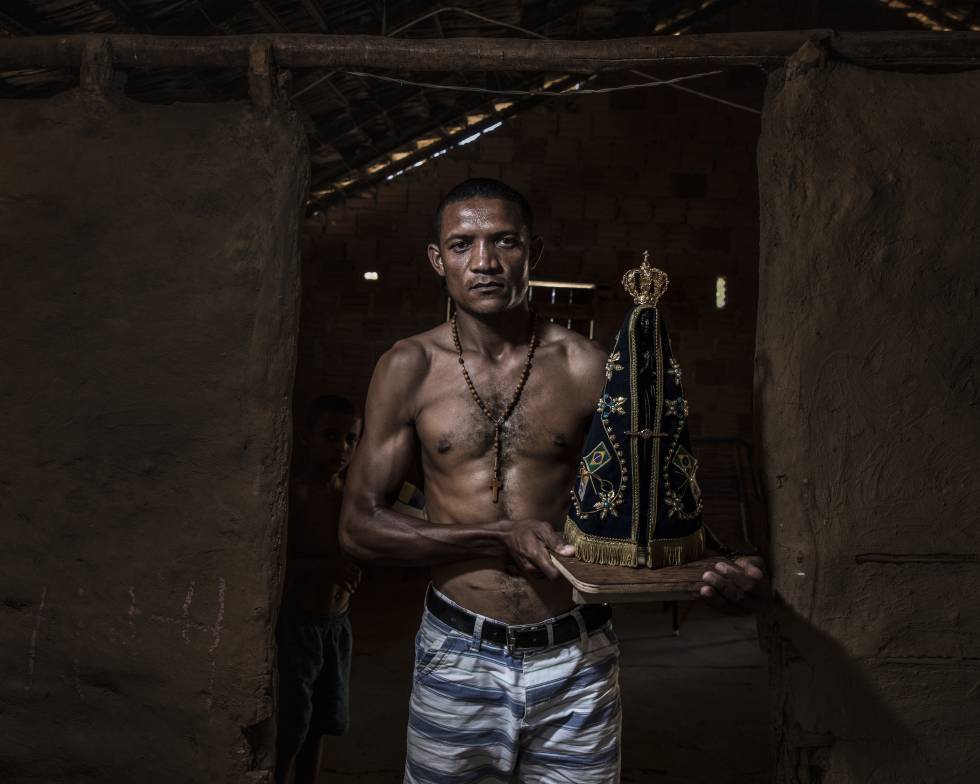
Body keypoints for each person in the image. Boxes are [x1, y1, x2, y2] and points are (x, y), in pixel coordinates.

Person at [339, 178, 767, 783]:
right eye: (462, 245)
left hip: (576, 651)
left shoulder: (589, 367)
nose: (484, 262)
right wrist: (497, 536)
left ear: (532, 252)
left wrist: (717, 567)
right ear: (438, 260)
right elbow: (359, 528)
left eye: (503, 242)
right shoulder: (408, 367)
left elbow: (650, 496)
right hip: (458, 651)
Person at [276, 395, 363, 784]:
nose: (342, 448)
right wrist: (321, 568)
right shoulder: (296, 494)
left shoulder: (348, 497)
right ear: (307, 437)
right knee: (292, 724)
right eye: (331, 436)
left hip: (337, 627)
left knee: (322, 722)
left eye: (350, 438)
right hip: (298, 627)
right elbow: (273, 567)